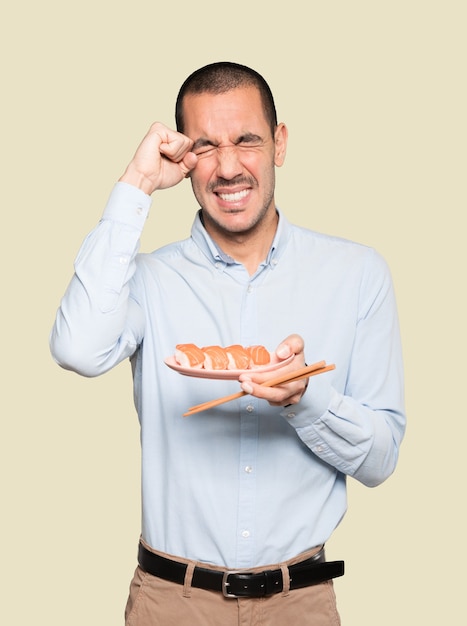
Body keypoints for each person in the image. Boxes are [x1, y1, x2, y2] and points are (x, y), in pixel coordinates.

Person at [49, 62, 406, 626]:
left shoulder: (357, 273)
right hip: (171, 601)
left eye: (247, 141)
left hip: (301, 602)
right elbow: (76, 349)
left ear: (279, 143)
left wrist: (304, 399)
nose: (229, 167)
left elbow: (381, 459)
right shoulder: (147, 279)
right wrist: (136, 185)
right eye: (207, 146)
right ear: (184, 159)